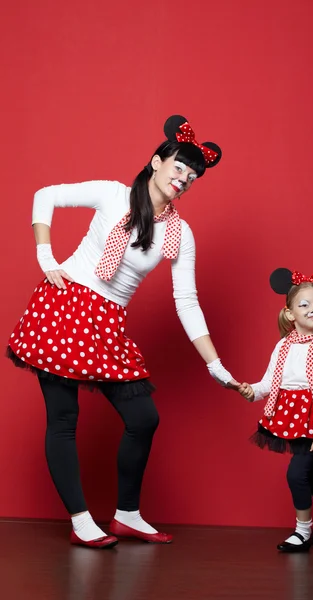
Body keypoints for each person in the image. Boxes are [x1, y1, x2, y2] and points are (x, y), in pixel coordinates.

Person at [7, 115, 239, 549]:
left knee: (143, 418)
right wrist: (45, 255)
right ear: (157, 161)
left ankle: (127, 515)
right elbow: (45, 195)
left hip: (108, 322)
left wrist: (215, 364)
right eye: (178, 169)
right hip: (66, 305)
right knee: (64, 419)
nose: (184, 180)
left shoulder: (180, 234)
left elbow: (186, 300)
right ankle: (81, 520)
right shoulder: (113, 195)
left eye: (191, 177)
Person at [238, 268, 313, 553]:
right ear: (290, 313)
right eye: (304, 305)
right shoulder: (283, 345)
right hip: (289, 415)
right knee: (312, 469)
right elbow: (271, 381)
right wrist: (252, 390)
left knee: (297, 473)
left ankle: (302, 531)